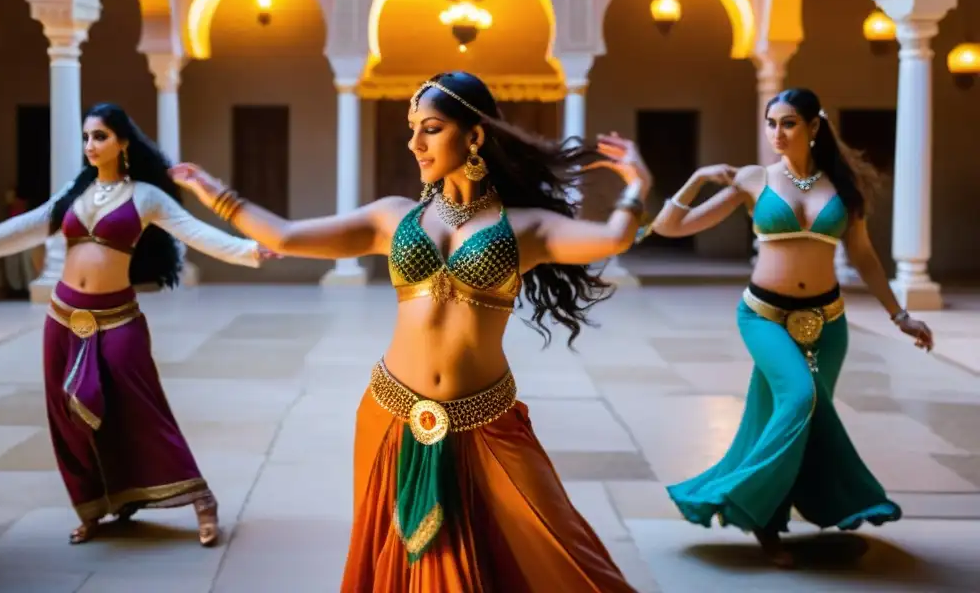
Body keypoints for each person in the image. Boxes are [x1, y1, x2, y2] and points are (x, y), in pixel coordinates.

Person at [170, 71, 654, 591]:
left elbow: (611, 238)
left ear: (474, 136)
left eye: (430, 128)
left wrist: (637, 186)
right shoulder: (393, 218)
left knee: (555, 545)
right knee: (404, 563)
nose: (414, 143)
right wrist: (216, 193)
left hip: (486, 420)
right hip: (392, 414)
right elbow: (288, 235)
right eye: (412, 129)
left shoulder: (526, 227)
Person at [0, 103, 275, 547]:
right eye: (86, 136)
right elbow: (32, 225)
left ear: (122, 142)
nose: (90, 145)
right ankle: (94, 505)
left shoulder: (145, 196)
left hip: (118, 320)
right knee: (68, 419)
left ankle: (201, 499)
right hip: (63, 318)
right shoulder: (76, 191)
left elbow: (192, 232)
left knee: (142, 412)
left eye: (100, 136)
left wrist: (250, 251)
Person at [651, 87, 934, 568]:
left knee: (799, 417)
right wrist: (697, 179)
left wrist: (899, 314)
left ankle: (772, 523)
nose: (776, 134)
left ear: (813, 127)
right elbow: (669, 227)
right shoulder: (753, 180)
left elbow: (863, 256)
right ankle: (749, 504)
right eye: (771, 123)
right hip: (763, 317)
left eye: (788, 123)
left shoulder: (843, 188)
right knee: (800, 399)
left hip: (828, 323)